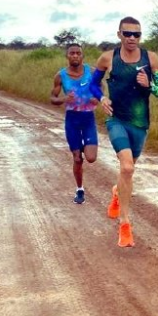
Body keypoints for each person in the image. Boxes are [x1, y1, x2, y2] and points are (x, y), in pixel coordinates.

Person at [91, 16, 158, 247]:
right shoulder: (108, 58)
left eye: (137, 34)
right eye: (128, 34)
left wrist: (150, 85)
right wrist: (102, 97)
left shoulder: (150, 59)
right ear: (119, 35)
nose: (132, 38)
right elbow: (94, 84)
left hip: (140, 123)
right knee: (127, 167)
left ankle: (117, 192)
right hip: (117, 120)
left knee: (127, 172)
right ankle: (125, 223)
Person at [50, 43, 102, 204]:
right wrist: (64, 99)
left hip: (88, 118)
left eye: (78, 53)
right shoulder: (60, 76)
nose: (75, 56)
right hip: (72, 119)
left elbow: (101, 87)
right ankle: (80, 189)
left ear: (82, 56)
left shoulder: (92, 72)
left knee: (91, 158)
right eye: (71, 53)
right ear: (67, 56)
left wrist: (98, 98)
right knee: (77, 159)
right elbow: (53, 98)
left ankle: (83, 149)